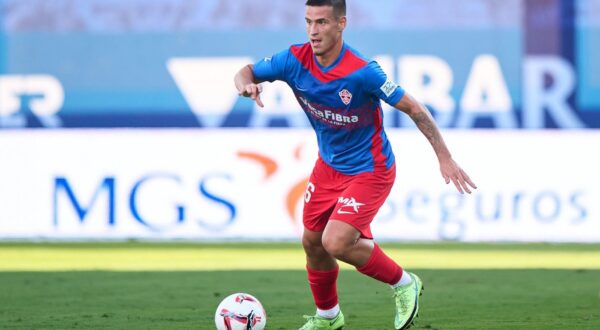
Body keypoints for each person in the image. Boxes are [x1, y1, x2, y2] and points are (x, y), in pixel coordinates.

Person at [234, 0, 477, 329]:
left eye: (321, 23)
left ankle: (405, 284)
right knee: (312, 242)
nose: (313, 31)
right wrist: (245, 86)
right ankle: (328, 318)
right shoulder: (293, 60)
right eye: (308, 22)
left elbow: (415, 109)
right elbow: (245, 71)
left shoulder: (363, 71)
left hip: (370, 169)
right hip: (328, 167)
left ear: (341, 24)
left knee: (334, 241)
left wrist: (444, 156)